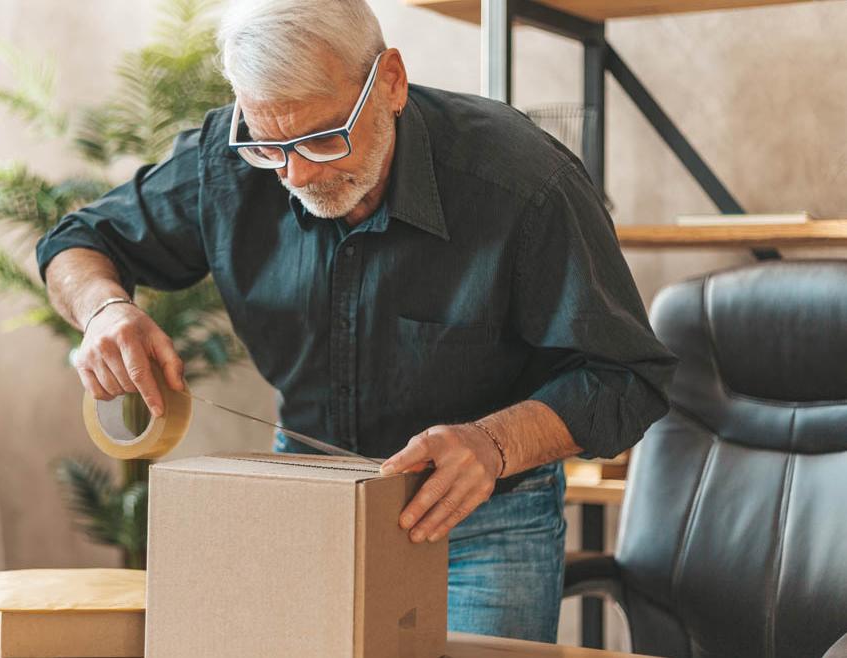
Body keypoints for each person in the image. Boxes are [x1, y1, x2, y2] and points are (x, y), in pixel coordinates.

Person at [37, 0, 677, 643]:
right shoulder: (228, 160)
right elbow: (78, 240)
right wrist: (104, 309)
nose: (297, 174)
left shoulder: (524, 181)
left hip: (480, 519)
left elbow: (627, 376)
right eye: (270, 146)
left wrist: (494, 442)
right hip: (305, 500)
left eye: (322, 137)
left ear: (390, 81)